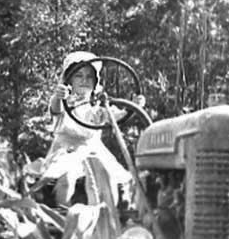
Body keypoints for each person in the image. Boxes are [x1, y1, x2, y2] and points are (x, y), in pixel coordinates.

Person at [33, 51, 145, 207]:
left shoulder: (97, 108)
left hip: (93, 149)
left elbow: (117, 115)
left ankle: (109, 215)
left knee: (109, 176)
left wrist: (134, 105)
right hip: (67, 150)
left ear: (95, 81)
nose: (84, 80)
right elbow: (56, 108)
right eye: (79, 76)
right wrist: (59, 96)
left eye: (89, 77)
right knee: (67, 177)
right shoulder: (65, 104)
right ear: (69, 80)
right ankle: (63, 217)